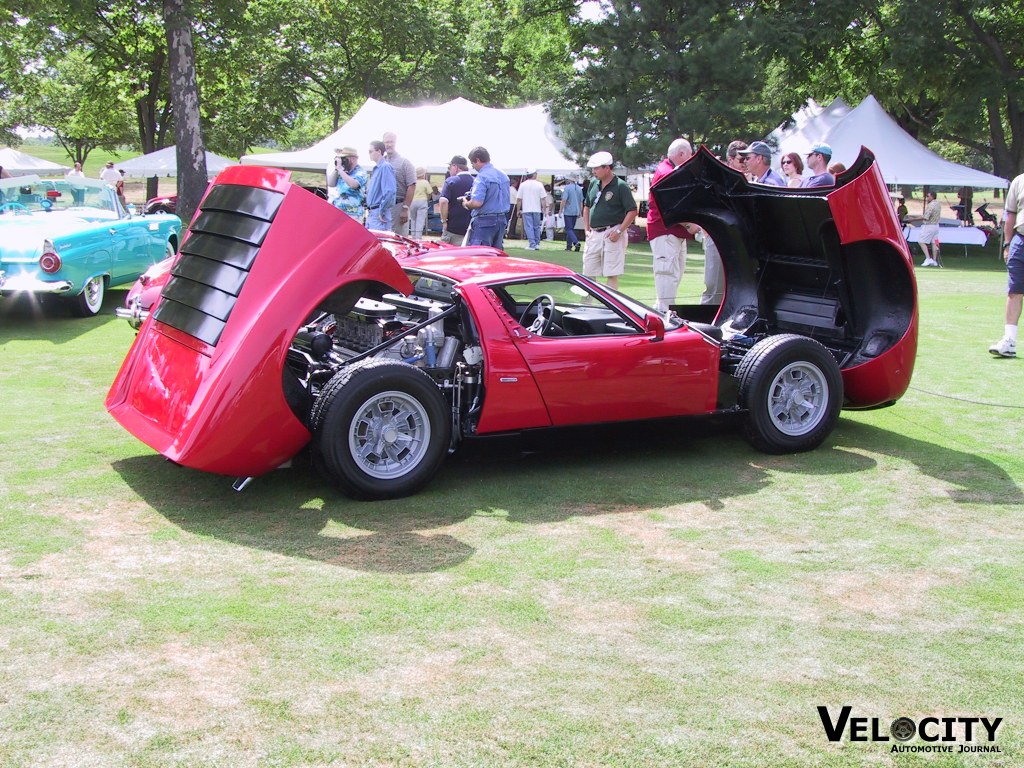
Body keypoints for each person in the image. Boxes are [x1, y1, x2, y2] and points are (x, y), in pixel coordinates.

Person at [647, 138, 693, 313]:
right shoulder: (667, 173)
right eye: (689, 155)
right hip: (665, 231)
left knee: (673, 274)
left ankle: (662, 311)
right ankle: (664, 314)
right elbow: (671, 207)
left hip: (672, 232)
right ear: (681, 154)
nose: (691, 159)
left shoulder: (669, 170)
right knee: (667, 275)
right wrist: (689, 225)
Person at [581, 151, 637, 291]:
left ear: (607, 168)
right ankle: (586, 308)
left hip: (612, 231)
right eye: (592, 168)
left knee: (611, 273)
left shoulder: (620, 186)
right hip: (594, 233)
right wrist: (586, 229)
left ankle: (611, 308)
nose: (593, 171)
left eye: (597, 168)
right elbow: (587, 206)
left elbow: (632, 211)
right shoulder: (594, 183)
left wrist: (619, 231)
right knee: (588, 273)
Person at [989, 172, 1024, 357]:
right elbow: (1010, 215)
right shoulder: (1019, 181)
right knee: (1014, 291)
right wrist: (1007, 244)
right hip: (1020, 240)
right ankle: (1009, 341)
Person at [462, 146, 510, 249]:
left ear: (478, 160)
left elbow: (476, 203)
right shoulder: (503, 175)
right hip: (501, 220)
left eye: (473, 163)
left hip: (484, 221)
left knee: (480, 255)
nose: (473, 166)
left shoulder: (482, 176)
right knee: (496, 255)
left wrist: (466, 203)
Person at [383, 132, 416, 235]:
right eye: (386, 142)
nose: (389, 144)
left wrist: (405, 209)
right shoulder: (381, 162)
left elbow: (412, 185)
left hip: (398, 206)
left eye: (391, 142)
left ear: (396, 143)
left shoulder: (405, 163)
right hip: (383, 208)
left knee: (398, 239)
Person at [437, 155, 474, 244]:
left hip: (453, 228)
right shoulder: (476, 181)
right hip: (472, 227)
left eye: (450, 167)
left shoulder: (451, 181)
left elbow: (443, 201)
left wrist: (444, 221)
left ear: (456, 167)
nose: (449, 170)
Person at [327, 147, 368, 221]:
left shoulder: (361, 172)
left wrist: (340, 170)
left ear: (352, 159)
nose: (342, 161)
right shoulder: (343, 172)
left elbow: (353, 185)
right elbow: (331, 184)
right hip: (338, 212)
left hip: (353, 215)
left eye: (344, 158)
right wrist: (337, 169)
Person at [365, 140, 396, 231]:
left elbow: (390, 191)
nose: (369, 154)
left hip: (378, 213)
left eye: (371, 151)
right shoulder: (377, 169)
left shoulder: (385, 167)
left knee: (379, 241)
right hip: (372, 212)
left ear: (379, 151)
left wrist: (382, 210)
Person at [517, 169, 546, 250]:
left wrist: (518, 210)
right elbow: (543, 198)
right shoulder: (539, 184)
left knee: (529, 227)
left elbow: (519, 199)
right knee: (536, 226)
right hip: (537, 209)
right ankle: (536, 243)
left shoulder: (523, 185)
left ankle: (532, 244)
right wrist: (544, 208)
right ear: (534, 175)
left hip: (526, 209)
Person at [559, 175, 583, 252]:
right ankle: (569, 246)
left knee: (568, 229)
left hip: (568, 210)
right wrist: (580, 211)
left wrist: (560, 210)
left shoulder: (567, 188)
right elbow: (581, 201)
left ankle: (576, 242)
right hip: (576, 210)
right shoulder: (579, 189)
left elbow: (564, 200)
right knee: (571, 229)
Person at [918, 190, 942, 267]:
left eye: (928, 196)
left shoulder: (931, 205)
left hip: (929, 226)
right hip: (936, 226)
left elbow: (925, 217)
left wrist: (912, 219)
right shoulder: (938, 204)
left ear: (932, 196)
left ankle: (928, 258)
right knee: (934, 242)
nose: (927, 198)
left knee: (921, 241)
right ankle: (934, 261)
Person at [409, 167, 432, 238]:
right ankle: (418, 237)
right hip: (422, 201)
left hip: (412, 201)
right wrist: (427, 200)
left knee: (413, 219)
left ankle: (413, 236)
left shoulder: (412, 182)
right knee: (420, 220)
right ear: (423, 174)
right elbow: (429, 193)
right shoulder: (425, 182)